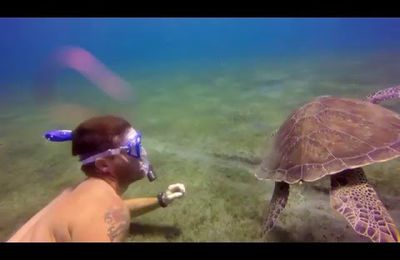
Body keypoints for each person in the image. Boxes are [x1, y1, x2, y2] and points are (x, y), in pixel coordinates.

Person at [8, 115, 186, 242]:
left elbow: (113, 213)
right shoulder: (102, 210)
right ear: (104, 165)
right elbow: (110, 216)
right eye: (133, 148)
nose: (143, 153)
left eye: (139, 144)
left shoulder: (88, 194)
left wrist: (161, 199)